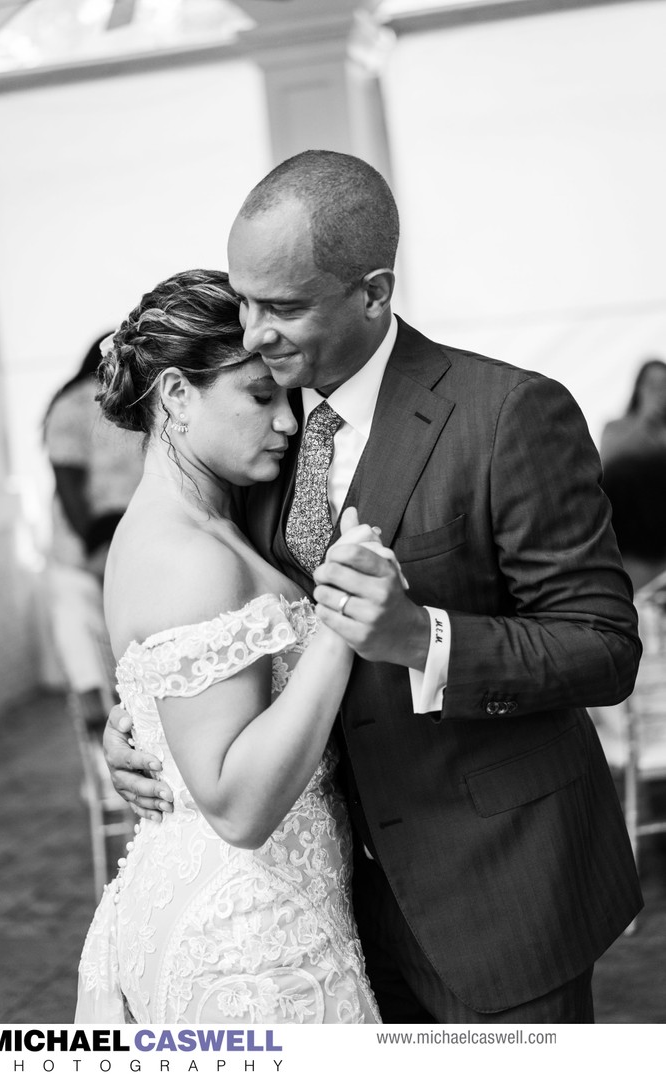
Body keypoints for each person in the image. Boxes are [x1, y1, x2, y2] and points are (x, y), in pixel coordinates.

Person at [104, 151, 643, 1023]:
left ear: (373, 292)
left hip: (494, 888)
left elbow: (603, 645)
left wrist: (423, 638)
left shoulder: (506, 414)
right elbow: (215, 626)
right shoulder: (253, 435)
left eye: (281, 307)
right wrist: (143, 718)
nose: (251, 333)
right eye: (243, 300)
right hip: (324, 911)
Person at [75, 268, 381, 1024]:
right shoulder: (187, 555)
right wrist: (343, 625)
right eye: (259, 396)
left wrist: (135, 727)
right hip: (247, 939)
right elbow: (239, 807)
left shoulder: (213, 524)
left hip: (265, 898)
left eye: (291, 396)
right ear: (176, 396)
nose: (288, 422)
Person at [44, 336, 144, 720]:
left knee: (121, 672)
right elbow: (69, 487)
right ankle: (103, 765)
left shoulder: (135, 400)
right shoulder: (73, 406)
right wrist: (100, 552)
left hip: (126, 552)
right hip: (85, 561)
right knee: (92, 673)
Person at [600, 358, 666, 591]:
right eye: (652, 385)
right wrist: (644, 420)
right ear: (638, 388)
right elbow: (609, 464)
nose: (659, 392)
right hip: (628, 541)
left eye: (664, 385)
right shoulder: (615, 428)